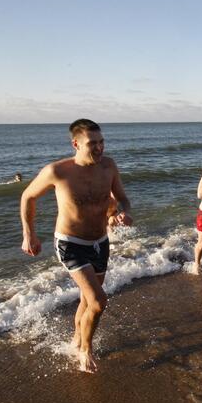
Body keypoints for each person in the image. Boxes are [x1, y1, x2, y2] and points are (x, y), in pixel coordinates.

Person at [20, 119, 132, 373]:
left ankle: (77, 337)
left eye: (102, 142)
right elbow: (28, 196)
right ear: (76, 144)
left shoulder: (109, 166)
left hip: (100, 242)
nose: (100, 148)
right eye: (93, 143)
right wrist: (29, 234)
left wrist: (121, 212)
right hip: (70, 243)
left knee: (87, 299)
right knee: (99, 301)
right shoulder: (58, 171)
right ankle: (85, 350)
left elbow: (122, 198)